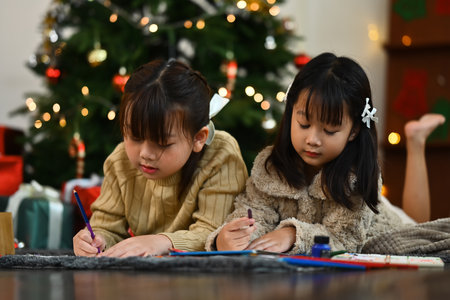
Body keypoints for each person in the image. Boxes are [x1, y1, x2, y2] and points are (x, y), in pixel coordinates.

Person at [205, 52, 446, 254]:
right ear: (291, 114)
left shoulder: (357, 178)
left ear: (353, 131)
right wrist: (230, 238)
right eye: (304, 124)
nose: (312, 140)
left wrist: (292, 234)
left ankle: (416, 140)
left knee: (419, 227)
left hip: (383, 220)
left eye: (330, 130)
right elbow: (254, 213)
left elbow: (345, 239)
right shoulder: (270, 167)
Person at [73, 59, 248, 257]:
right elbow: (107, 228)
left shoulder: (221, 154)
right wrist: (96, 240)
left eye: (162, 143)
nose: (145, 153)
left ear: (199, 138)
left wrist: (160, 242)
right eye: (135, 137)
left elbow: (214, 234)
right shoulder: (120, 161)